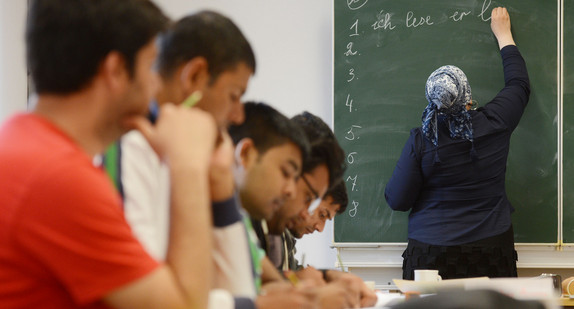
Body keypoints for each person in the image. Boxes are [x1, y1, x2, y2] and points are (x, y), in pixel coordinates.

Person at [0, 1, 225, 308]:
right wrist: (188, 165)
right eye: (150, 67)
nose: (156, 85)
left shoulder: (23, 144)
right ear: (116, 70)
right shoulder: (59, 178)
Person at [104, 12, 258, 306]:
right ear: (195, 77)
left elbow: (240, 290)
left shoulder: (198, 157)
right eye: (234, 95)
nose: (238, 115)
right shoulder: (128, 147)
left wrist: (221, 187)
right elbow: (160, 302)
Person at [384, 7, 530, 280]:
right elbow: (519, 84)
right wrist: (504, 35)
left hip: (430, 256)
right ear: (467, 98)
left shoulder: (422, 139)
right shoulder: (495, 122)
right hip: (491, 254)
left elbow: (398, 199)